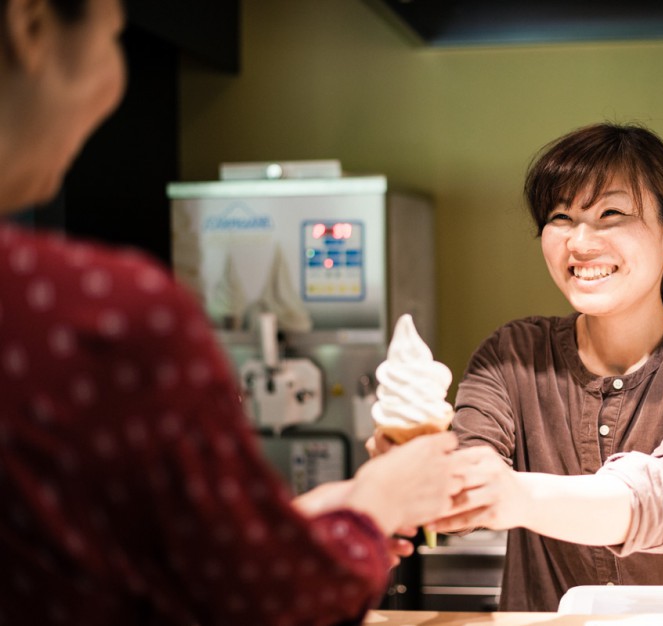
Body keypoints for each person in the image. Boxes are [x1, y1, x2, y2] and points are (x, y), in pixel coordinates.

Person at [0, 1, 469, 624]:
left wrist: (316, 517)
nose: (115, 85)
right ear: (30, 24)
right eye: (114, 37)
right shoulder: (103, 316)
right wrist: (375, 505)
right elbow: (266, 603)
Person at [427, 123, 663, 611]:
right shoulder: (511, 355)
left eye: (611, 213)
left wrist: (509, 495)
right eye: (561, 216)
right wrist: (429, 477)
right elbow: (472, 468)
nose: (581, 241)